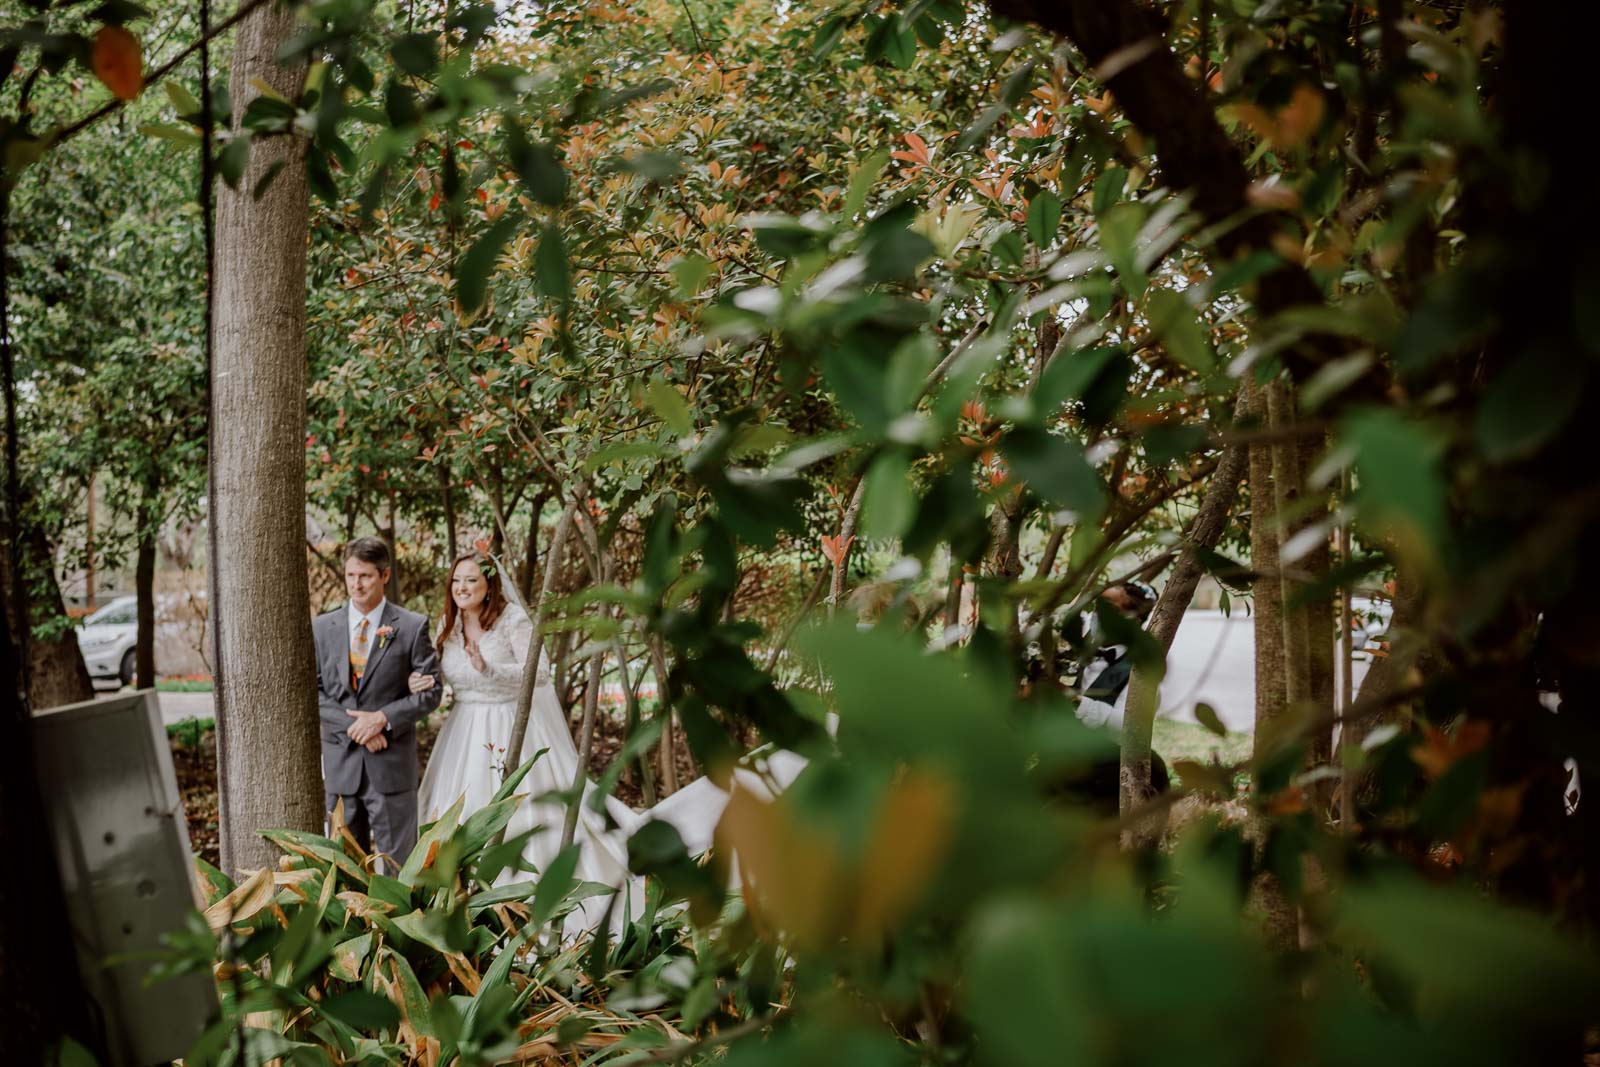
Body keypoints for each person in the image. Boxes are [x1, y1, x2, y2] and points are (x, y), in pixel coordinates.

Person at [411, 551, 779, 932]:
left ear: (490, 585)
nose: (462, 588)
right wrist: (420, 682)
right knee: (462, 808)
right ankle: (460, 900)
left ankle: (522, 898)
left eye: (471, 580)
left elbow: (538, 673)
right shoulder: (447, 625)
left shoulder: (511, 620)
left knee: (525, 813)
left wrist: (488, 668)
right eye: (456, 580)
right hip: (463, 733)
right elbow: (441, 675)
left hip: (509, 727)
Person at [313, 537, 442, 869]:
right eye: (351, 575)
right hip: (341, 764)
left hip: (391, 765)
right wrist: (361, 727)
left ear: (384, 576)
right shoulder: (321, 628)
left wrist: (383, 718)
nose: (356, 584)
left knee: (400, 868)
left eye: (366, 576)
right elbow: (312, 693)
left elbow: (431, 692)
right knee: (343, 868)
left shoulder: (412, 627)